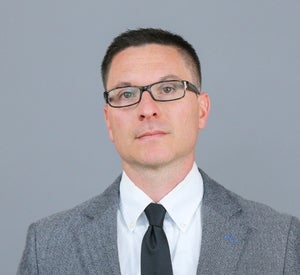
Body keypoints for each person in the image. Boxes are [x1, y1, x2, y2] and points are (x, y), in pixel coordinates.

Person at [18, 28, 300, 275]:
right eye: (126, 94)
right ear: (108, 121)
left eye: (167, 88)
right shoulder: (48, 245)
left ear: (202, 110)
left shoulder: (279, 239)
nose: (147, 109)